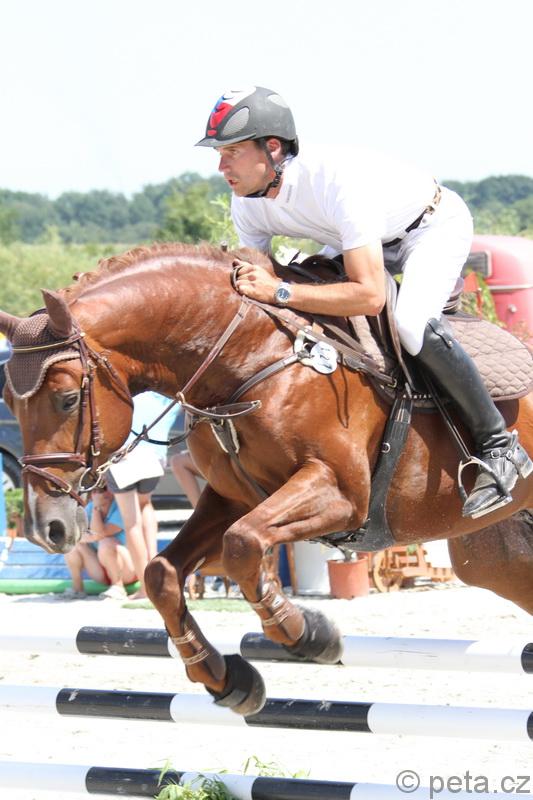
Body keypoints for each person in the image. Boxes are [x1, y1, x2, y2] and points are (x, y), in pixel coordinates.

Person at [195, 86, 532, 519]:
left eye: (232, 152)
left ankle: (499, 446)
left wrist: (280, 291)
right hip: (356, 241)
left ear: (272, 148)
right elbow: (257, 286)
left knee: (410, 323)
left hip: (429, 229)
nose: (221, 166)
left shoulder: (334, 181)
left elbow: (370, 296)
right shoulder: (248, 202)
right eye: (219, 154)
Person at [106, 391, 180, 599]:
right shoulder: (167, 397)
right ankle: (157, 577)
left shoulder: (127, 392)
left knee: (131, 524)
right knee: (146, 505)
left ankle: (146, 588)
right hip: (155, 459)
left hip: (124, 457)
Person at [63, 484, 136, 599]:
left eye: (103, 489)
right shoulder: (90, 507)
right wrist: (89, 536)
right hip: (100, 570)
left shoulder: (120, 507)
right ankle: (77, 588)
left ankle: (118, 587)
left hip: (127, 570)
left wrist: (96, 508)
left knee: (106, 543)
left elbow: (100, 533)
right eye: (94, 490)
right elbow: (76, 534)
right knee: (73, 545)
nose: (98, 494)